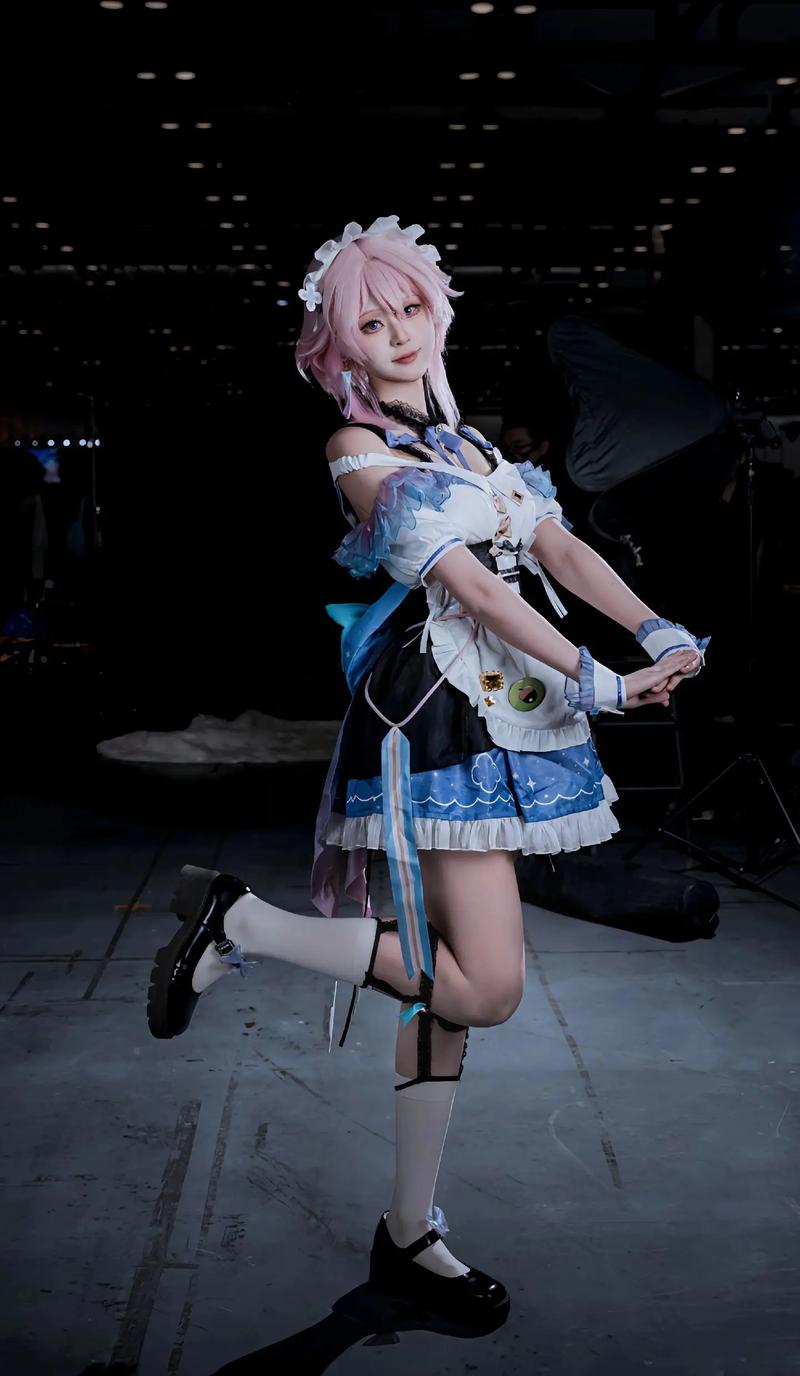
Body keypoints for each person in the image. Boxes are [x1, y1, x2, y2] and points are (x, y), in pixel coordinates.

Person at [146, 215, 706, 1323]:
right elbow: (476, 589)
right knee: (483, 987)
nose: (398, 332)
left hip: (504, 713)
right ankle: (242, 923)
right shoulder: (356, 452)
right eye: (371, 321)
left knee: (439, 986)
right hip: (433, 719)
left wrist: (655, 626)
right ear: (338, 346)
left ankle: (409, 1230)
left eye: (409, 308)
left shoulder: (473, 449)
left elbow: (556, 549)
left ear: (435, 315)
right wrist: (598, 679)